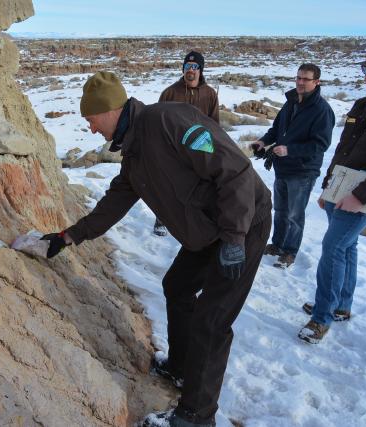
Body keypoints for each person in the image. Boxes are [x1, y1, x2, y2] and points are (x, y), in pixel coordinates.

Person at [42, 71, 271, 427]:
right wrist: (69, 236)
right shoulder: (133, 152)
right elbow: (114, 203)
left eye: (90, 120)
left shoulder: (170, 120)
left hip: (243, 223)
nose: (90, 130)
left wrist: (234, 239)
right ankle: (180, 367)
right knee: (177, 286)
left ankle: (196, 416)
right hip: (207, 233)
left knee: (212, 321)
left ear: (109, 110)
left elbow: (236, 172)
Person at [298, 56, 366, 344]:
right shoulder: (362, 105)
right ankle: (340, 305)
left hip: (359, 194)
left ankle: (321, 318)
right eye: (365, 70)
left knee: (333, 248)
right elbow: (343, 149)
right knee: (347, 247)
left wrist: (360, 196)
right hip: (340, 187)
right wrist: (329, 187)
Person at [251, 63, 335, 268]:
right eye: (298, 78)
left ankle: (290, 251)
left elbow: (320, 144)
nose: (300, 82)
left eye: (305, 79)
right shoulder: (291, 102)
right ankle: (277, 244)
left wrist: (290, 150)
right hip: (282, 167)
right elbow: (276, 129)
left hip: (303, 171)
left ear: (317, 82)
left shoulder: (322, 110)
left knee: (295, 215)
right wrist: (263, 141)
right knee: (280, 210)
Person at [153, 50, 220, 237]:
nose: (190, 70)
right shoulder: (170, 93)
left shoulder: (210, 94)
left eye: (194, 67)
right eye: (187, 66)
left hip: (199, 149)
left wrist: (214, 149)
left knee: (197, 187)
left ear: (200, 70)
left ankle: (192, 221)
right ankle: (161, 219)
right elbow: (157, 121)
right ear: (183, 69)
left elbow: (215, 125)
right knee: (168, 185)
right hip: (173, 150)